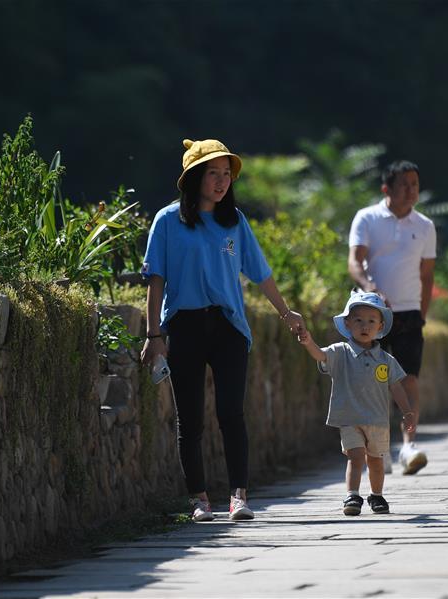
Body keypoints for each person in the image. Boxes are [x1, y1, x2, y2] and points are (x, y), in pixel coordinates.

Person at [140, 138, 306, 522]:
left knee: (232, 413)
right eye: (213, 173)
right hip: (184, 326)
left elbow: (260, 273)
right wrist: (154, 336)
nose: (221, 181)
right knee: (191, 419)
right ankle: (199, 499)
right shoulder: (167, 221)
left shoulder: (235, 222)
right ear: (193, 177)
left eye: (226, 174)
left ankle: (239, 497)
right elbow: (155, 280)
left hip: (229, 326)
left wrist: (286, 313)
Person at [347, 160, 436, 475]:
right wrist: (370, 287)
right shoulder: (367, 218)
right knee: (372, 382)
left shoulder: (425, 226)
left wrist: (421, 315)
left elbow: (427, 276)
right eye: (404, 185)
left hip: (410, 312)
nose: (411, 191)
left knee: (408, 379)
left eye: (415, 184)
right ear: (387, 189)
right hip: (372, 314)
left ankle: (409, 445)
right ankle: (377, 449)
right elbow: (355, 262)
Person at [297, 291, 416, 515]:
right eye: (358, 320)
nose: (365, 325)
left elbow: (396, 387)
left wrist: (407, 411)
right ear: (347, 324)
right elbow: (320, 356)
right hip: (349, 417)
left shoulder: (386, 360)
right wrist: (308, 342)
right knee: (355, 456)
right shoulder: (340, 352)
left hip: (377, 420)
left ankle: (377, 495)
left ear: (380, 327)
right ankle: (352, 495)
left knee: (376, 460)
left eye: (371, 321)